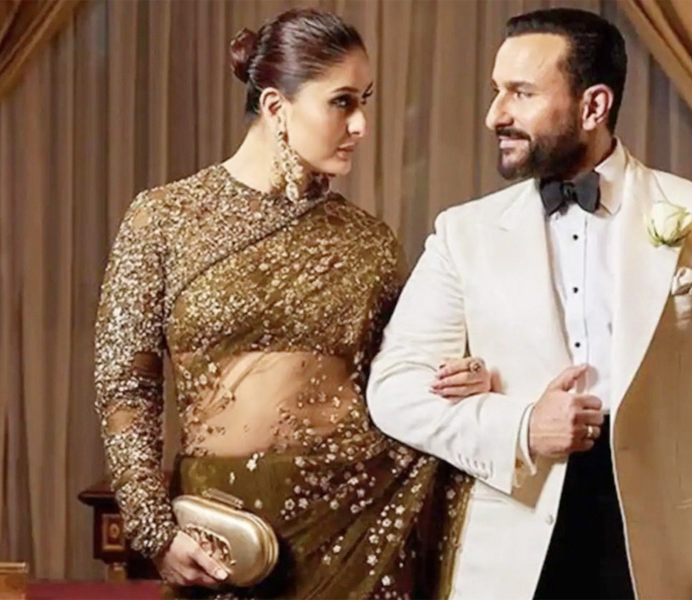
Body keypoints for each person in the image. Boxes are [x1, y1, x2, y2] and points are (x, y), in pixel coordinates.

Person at [367, 8, 692, 600]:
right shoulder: (463, 234)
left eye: (521, 93)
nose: (495, 114)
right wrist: (522, 426)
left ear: (594, 106)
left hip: (667, 568)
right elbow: (394, 389)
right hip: (507, 568)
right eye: (497, 91)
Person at [94, 9, 487, 599]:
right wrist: (154, 530)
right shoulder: (165, 219)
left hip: (360, 522)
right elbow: (126, 383)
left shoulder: (370, 242)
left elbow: (400, 377)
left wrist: (461, 377)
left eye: (365, 102)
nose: (361, 124)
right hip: (226, 533)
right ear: (277, 107)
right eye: (342, 102)